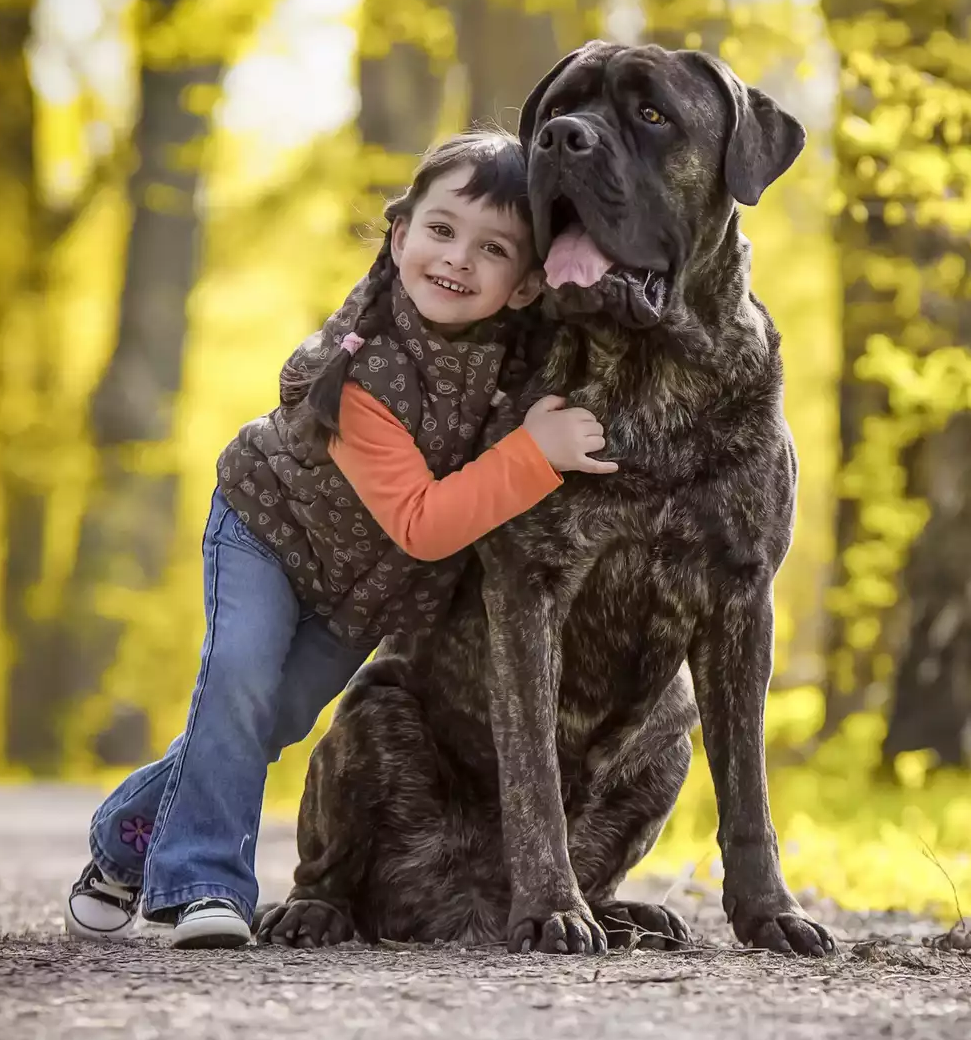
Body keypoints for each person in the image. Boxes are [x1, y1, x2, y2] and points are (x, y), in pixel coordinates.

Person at [64, 129, 611, 948]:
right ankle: (204, 886)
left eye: (493, 248)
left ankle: (121, 840)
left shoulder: (518, 362)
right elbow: (424, 525)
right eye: (441, 230)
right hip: (269, 534)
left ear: (528, 283)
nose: (457, 259)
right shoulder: (360, 369)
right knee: (239, 682)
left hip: (362, 593)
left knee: (268, 722)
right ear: (400, 235)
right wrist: (535, 453)